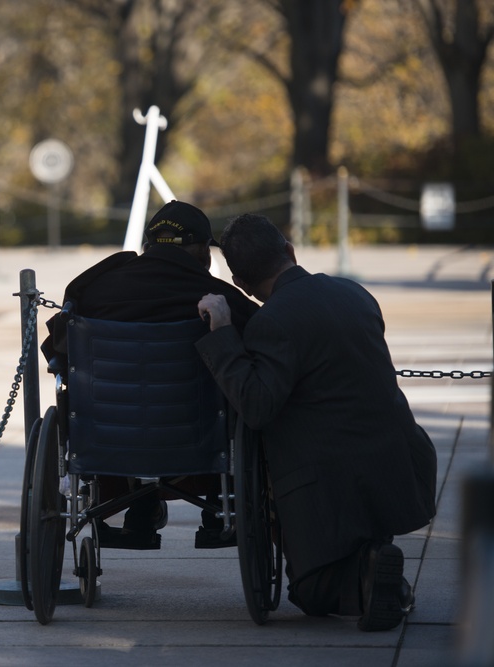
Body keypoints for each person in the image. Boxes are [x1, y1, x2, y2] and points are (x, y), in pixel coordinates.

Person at [195, 213, 437, 631]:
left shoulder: (271, 323)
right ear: (289, 250)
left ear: (239, 285)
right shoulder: (356, 294)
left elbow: (255, 406)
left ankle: (367, 570)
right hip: (397, 461)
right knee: (337, 561)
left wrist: (222, 332)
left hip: (329, 481)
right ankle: (374, 560)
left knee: (310, 596)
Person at [42, 200, 259, 549]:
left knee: (125, 403)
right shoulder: (219, 298)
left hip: (109, 438)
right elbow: (262, 347)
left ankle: (139, 510)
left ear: (148, 246)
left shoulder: (95, 291)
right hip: (199, 439)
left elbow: (58, 353)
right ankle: (220, 506)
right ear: (202, 250)